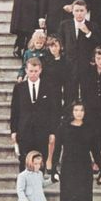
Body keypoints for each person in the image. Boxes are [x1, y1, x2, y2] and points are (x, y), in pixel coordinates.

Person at [51, 101, 101, 201]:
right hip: (68, 167)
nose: (79, 113)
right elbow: (57, 150)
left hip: (84, 168)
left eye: (81, 110)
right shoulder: (63, 127)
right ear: (72, 111)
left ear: (85, 112)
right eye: (76, 110)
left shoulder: (90, 128)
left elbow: (95, 150)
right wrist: (54, 168)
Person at [10, 57, 56, 172]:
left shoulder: (49, 87)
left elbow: (53, 111)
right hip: (24, 130)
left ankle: (38, 188)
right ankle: (24, 189)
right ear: (26, 70)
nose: (33, 74)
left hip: (42, 131)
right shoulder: (19, 88)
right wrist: (13, 131)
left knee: (40, 161)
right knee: (24, 161)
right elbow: (15, 110)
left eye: (36, 71)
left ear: (40, 70)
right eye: (31, 71)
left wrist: (52, 131)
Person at [58, 0, 100, 104]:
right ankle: (68, 119)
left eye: (82, 10)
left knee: (87, 94)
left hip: (86, 65)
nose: (79, 13)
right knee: (69, 94)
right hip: (69, 65)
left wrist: (88, 32)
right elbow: (60, 42)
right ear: (72, 11)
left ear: (86, 11)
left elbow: (98, 44)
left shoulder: (93, 26)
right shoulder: (65, 25)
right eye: (76, 10)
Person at [42, 35, 67, 172]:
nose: (53, 48)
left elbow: (67, 79)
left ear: (60, 47)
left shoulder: (65, 60)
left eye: (56, 45)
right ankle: (48, 160)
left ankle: (55, 160)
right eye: (51, 46)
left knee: (57, 132)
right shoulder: (45, 61)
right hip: (46, 98)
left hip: (59, 98)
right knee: (48, 132)